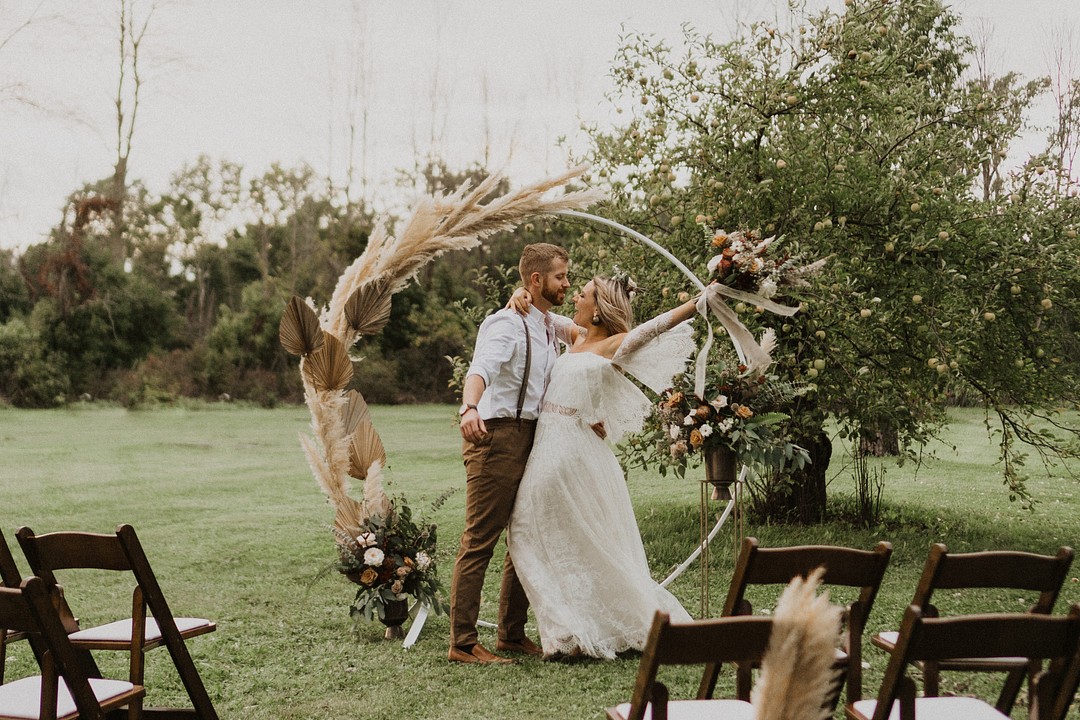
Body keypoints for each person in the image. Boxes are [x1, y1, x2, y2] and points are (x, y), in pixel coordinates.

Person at [506, 273, 700, 659]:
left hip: (570, 449)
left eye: (585, 292)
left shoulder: (613, 345)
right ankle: (569, 629)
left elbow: (655, 326)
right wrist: (522, 292)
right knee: (536, 529)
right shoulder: (577, 337)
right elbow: (543, 316)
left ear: (599, 308)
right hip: (548, 440)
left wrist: (698, 302)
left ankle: (571, 632)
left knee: (529, 525)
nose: (575, 294)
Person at [449, 242, 571, 665]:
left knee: (525, 533)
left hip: (534, 437)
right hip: (496, 437)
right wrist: (468, 407)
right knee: (480, 538)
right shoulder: (505, 322)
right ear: (536, 280)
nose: (566, 284)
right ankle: (463, 642)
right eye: (560, 277)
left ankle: (511, 634)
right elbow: (480, 368)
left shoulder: (549, 325)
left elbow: (592, 333)